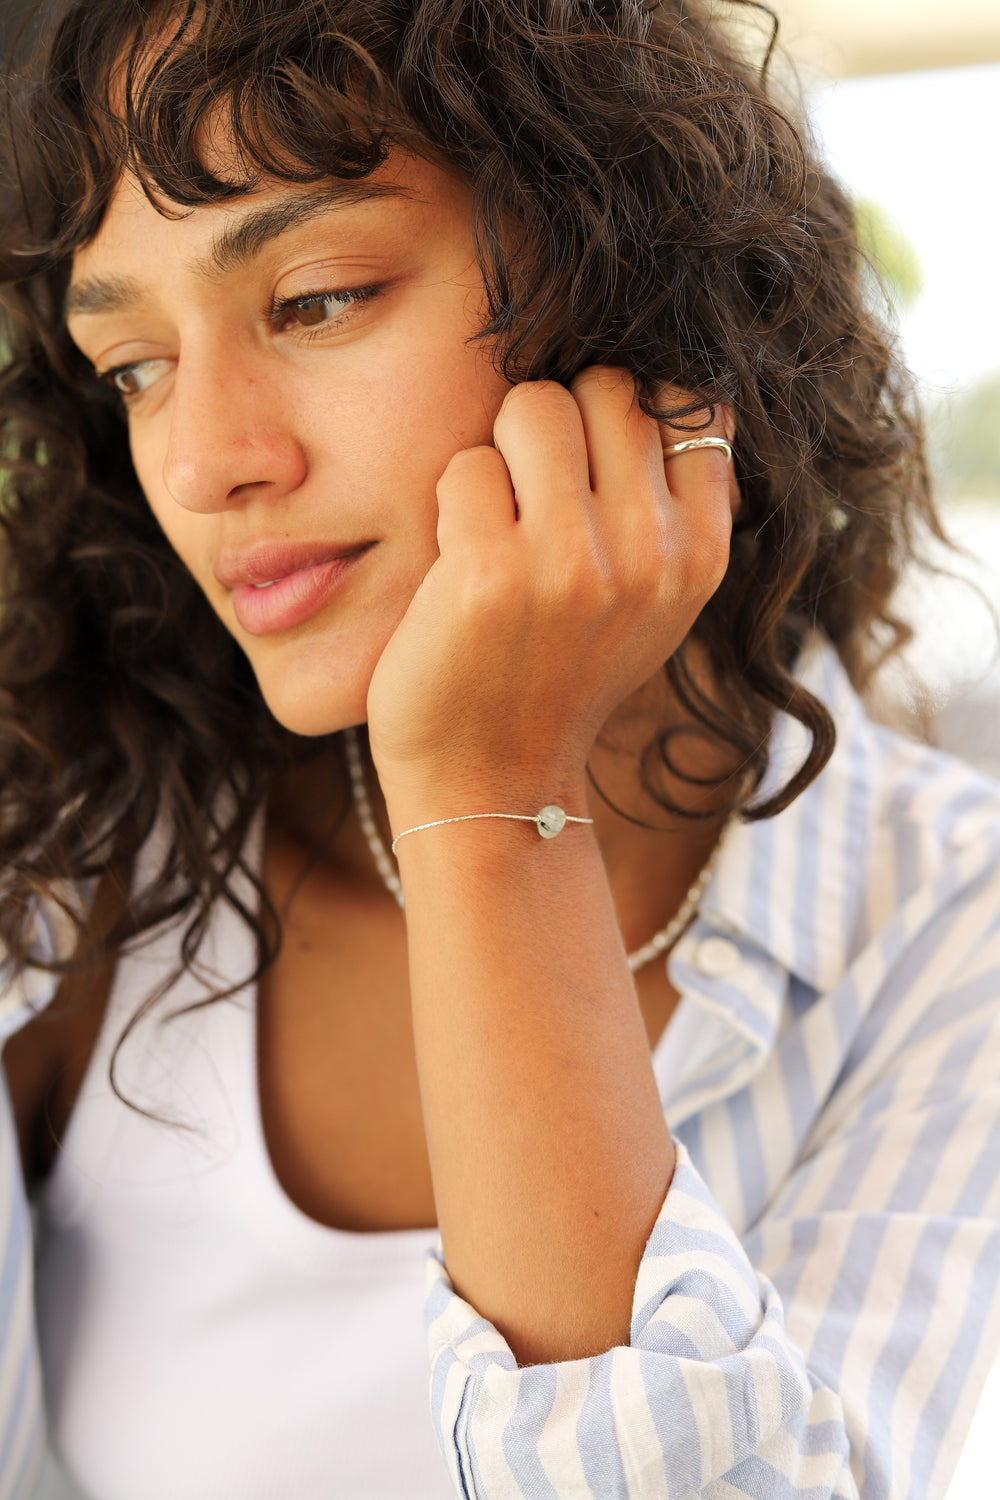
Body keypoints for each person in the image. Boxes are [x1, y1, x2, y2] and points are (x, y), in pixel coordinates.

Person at [1, 0, 998, 1496]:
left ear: (636, 292)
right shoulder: (77, 843)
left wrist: (486, 799)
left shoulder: (949, 930)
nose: (205, 462)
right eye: (133, 367)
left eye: (318, 298)